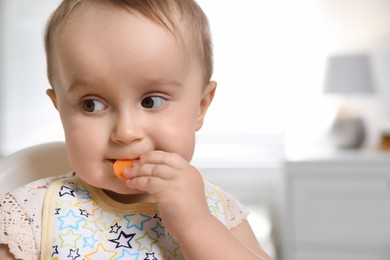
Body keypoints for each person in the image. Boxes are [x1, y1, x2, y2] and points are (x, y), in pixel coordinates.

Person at [0, 0, 271, 259]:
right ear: (60, 108)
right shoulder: (30, 214)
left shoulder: (217, 211)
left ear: (200, 107)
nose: (126, 132)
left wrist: (196, 226)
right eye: (91, 105)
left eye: (151, 101)